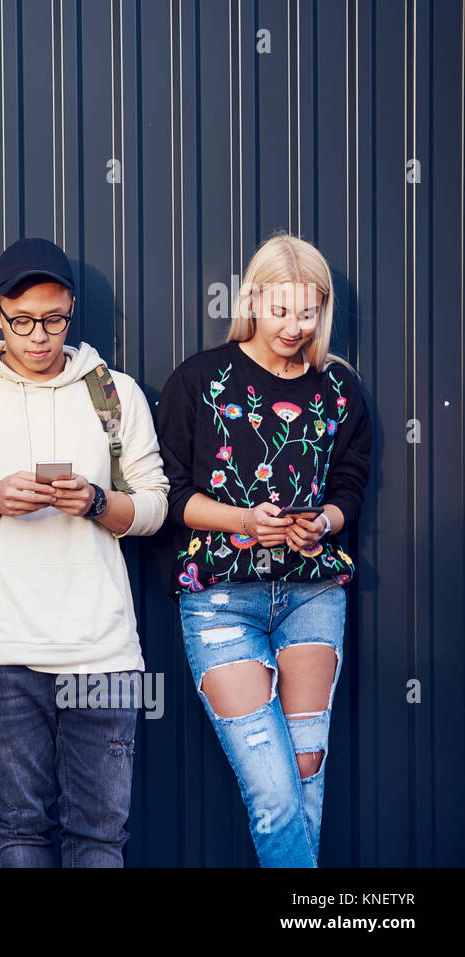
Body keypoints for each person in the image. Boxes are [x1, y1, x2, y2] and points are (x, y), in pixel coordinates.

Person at [0, 237, 169, 867]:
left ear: (71, 310)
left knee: (100, 836)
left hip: (101, 651)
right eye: (22, 321)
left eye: (54, 320)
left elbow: (156, 507)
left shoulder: (116, 395)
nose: (39, 337)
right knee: (20, 830)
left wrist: (97, 502)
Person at [154, 233, 372, 867]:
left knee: (306, 773)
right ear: (251, 301)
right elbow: (171, 496)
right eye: (280, 311)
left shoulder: (337, 387)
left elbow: (349, 485)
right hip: (220, 600)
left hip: (313, 596)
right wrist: (244, 520)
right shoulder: (200, 379)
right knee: (274, 791)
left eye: (308, 312)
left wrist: (322, 522)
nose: (294, 327)